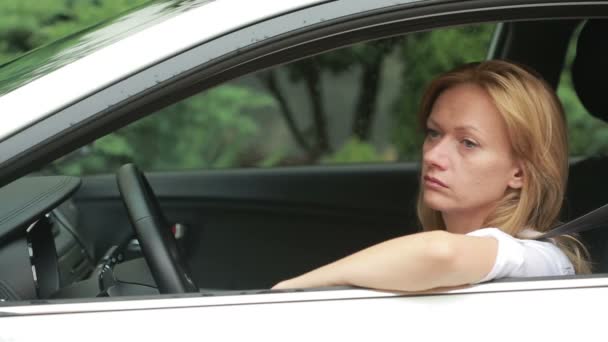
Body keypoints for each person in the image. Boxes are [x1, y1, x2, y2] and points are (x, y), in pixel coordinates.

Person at [272, 60, 591, 292]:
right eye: (434, 133)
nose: (432, 156)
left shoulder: (541, 261)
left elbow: (439, 253)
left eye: (468, 143)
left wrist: (291, 290)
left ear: (519, 172)